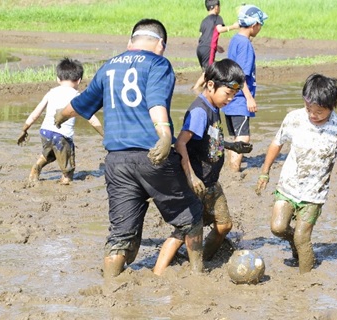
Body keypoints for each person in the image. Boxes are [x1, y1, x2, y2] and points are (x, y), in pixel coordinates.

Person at [53, 19, 204, 278]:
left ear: (130, 43)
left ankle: (109, 288)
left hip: (116, 162)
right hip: (152, 156)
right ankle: (197, 278)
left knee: (120, 236)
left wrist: (60, 116)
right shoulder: (159, 64)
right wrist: (165, 133)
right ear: (160, 45)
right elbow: (156, 102)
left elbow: (81, 103)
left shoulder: (109, 66)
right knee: (191, 216)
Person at [255, 73, 337, 274]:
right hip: (288, 186)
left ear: (332, 106)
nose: (313, 115)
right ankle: (299, 247)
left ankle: (306, 279)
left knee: (302, 237)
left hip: (314, 195)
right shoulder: (294, 118)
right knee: (278, 227)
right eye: (309, 108)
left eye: (319, 111)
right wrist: (264, 172)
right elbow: (277, 142)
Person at [175, 58, 252, 261]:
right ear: (210, 85)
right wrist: (191, 176)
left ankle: (205, 258)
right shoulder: (200, 111)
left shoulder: (214, 107)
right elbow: (180, 143)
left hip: (211, 182)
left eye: (234, 95)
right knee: (189, 231)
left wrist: (232, 146)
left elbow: (209, 139)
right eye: (228, 94)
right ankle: (181, 261)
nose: (230, 99)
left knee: (224, 225)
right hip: (197, 182)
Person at [17, 57, 103, 185]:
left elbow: (36, 113)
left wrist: (24, 129)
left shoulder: (51, 92)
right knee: (69, 167)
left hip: (45, 132)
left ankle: (37, 166)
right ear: (79, 80)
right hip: (62, 135)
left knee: (50, 153)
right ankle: (66, 182)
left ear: (58, 79)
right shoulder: (77, 96)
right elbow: (91, 118)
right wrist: (104, 134)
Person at [222, 4, 268, 172]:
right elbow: (240, 74)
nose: (260, 28)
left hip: (229, 99)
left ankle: (230, 167)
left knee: (235, 136)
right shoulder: (245, 45)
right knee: (243, 137)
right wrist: (249, 97)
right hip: (239, 99)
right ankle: (234, 171)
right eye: (260, 25)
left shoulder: (235, 39)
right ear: (254, 24)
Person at [192, 0, 239, 92]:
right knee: (208, 71)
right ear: (216, 7)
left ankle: (205, 90)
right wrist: (233, 27)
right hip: (209, 49)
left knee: (207, 72)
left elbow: (203, 36)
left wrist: (216, 46)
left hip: (200, 48)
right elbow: (219, 29)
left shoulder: (204, 21)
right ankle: (195, 89)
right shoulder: (217, 18)